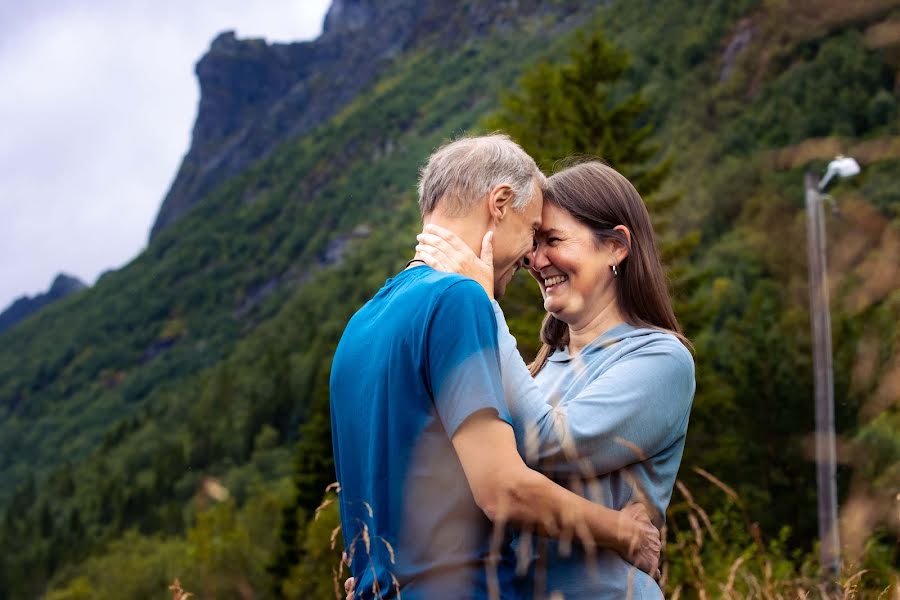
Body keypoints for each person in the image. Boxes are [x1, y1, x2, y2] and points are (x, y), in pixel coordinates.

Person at [330, 136, 661, 600]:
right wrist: (623, 532)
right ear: (500, 203)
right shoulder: (461, 300)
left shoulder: (361, 325)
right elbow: (503, 489)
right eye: (531, 233)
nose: (530, 259)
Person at [414, 160, 696, 598]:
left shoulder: (660, 360)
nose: (534, 259)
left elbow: (549, 444)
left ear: (617, 246)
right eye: (533, 241)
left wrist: (480, 303)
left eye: (553, 241)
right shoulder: (539, 371)